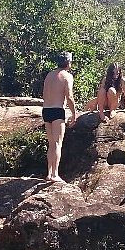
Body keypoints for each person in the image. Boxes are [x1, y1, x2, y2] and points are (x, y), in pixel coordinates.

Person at [41, 51, 78, 182]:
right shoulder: (67, 76)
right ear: (68, 62)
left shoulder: (49, 75)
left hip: (46, 110)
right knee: (57, 143)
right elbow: (69, 97)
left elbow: (45, 94)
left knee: (51, 143)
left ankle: (49, 173)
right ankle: (55, 174)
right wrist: (74, 114)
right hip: (57, 110)